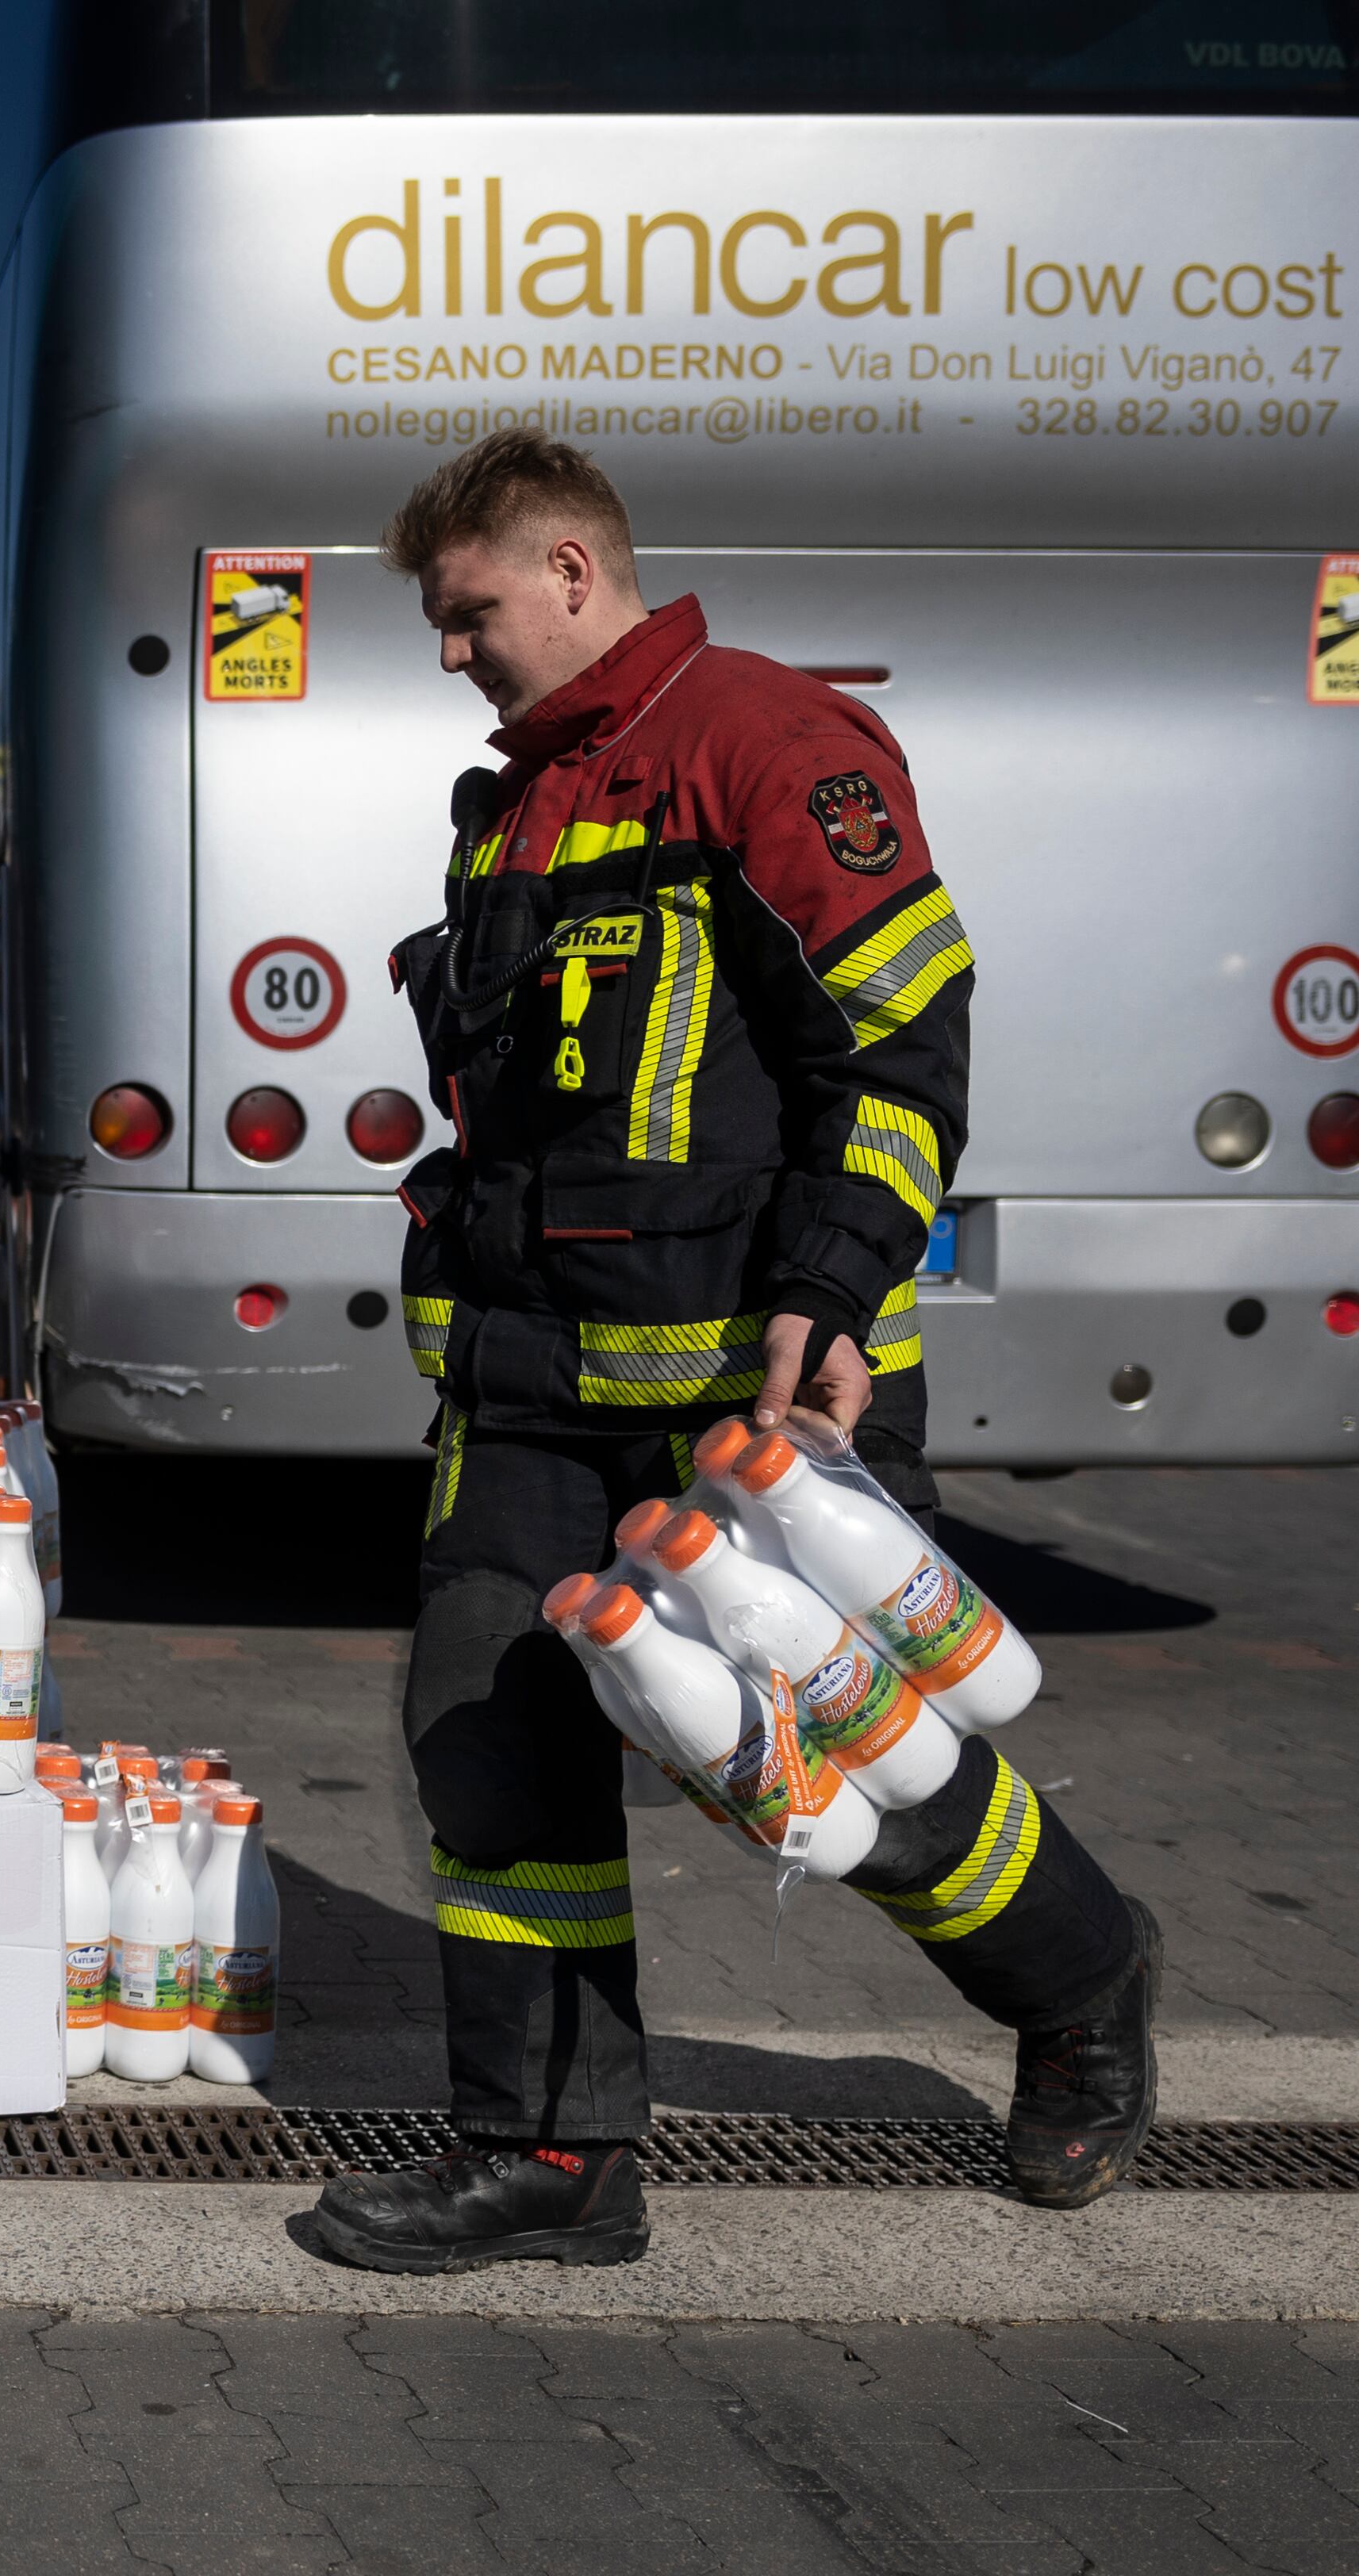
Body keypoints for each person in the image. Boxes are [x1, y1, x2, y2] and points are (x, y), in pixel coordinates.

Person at [305, 430, 1156, 2275]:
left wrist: (841, 1281)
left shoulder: (770, 744)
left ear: (569, 571)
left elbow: (907, 1029)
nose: (449, 654)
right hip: (531, 1387)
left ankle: (1084, 1986)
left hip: (749, 1398)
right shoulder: (519, 800)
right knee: (487, 1738)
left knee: (848, 1769)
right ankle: (548, 2159)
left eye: (466, 616)